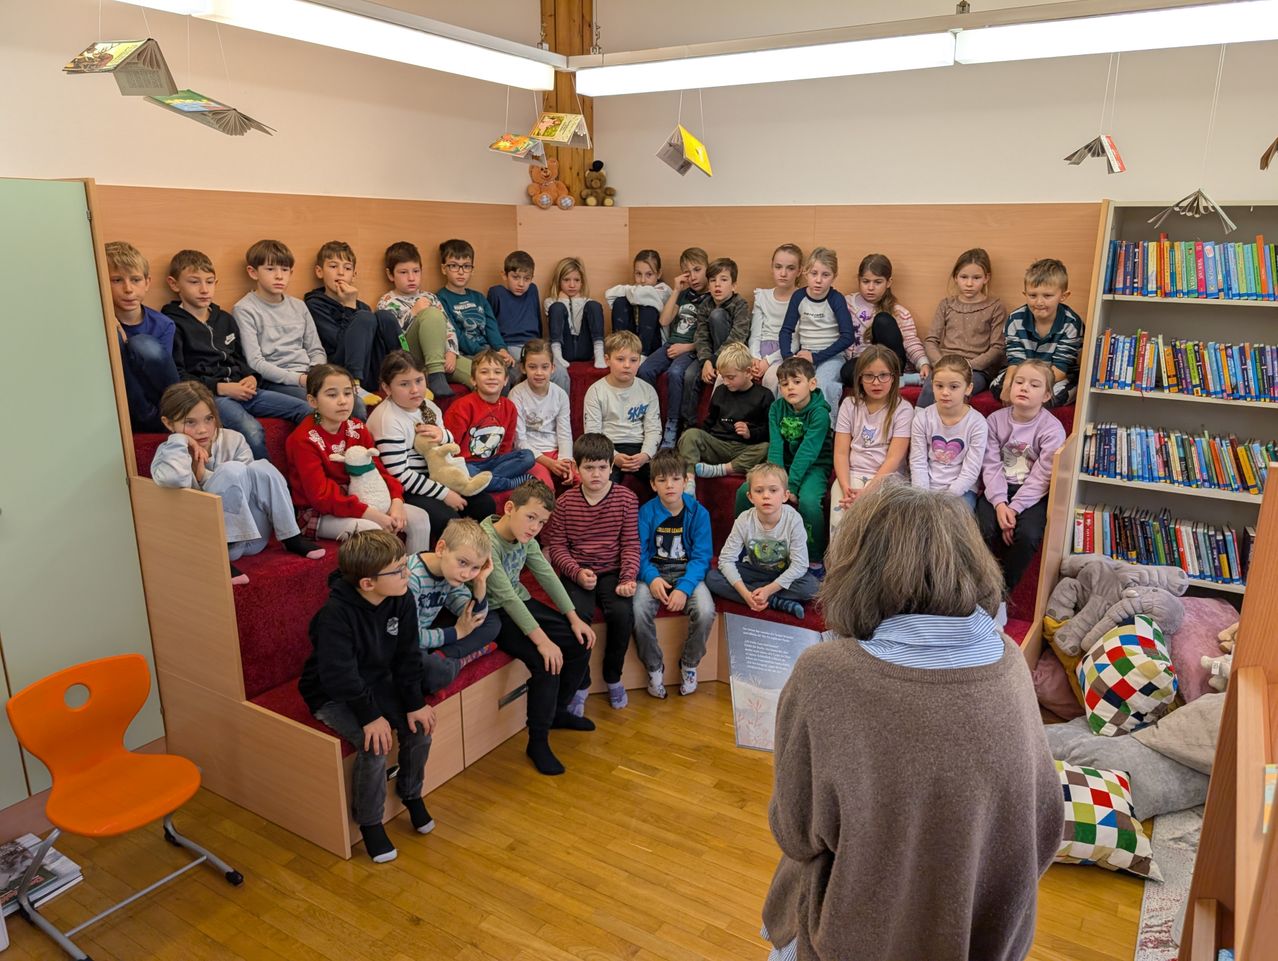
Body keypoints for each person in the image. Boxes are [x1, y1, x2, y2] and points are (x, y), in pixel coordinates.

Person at [762, 481, 1062, 961]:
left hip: (852, 938)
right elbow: (1046, 824)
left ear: (857, 568)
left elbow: (795, 832)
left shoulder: (825, 674)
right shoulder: (1008, 659)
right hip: (983, 936)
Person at [299, 530, 438, 863]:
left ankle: (411, 793)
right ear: (367, 584)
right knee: (374, 744)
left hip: (376, 681)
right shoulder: (336, 615)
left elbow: (407, 656)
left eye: (405, 565)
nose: (407, 574)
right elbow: (338, 676)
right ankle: (370, 821)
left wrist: (415, 701)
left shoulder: (401, 598)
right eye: (399, 570)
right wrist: (369, 716)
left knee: (420, 728)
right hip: (333, 692)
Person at [151, 382, 325, 585]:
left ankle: (290, 537)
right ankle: (222, 555)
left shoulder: (234, 439)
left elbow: (248, 483)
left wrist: (203, 475)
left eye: (209, 419)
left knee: (261, 467)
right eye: (190, 423)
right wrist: (180, 441)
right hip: (209, 542)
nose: (202, 430)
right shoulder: (168, 453)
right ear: (169, 424)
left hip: (253, 533)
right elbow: (173, 480)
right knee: (230, 469)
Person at [484, 480, 597, 776]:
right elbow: (505, 597)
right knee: (546, 661)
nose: (535, 527)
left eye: (542, 522)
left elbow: (546, 575)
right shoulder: (486, 542)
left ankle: (557, 711)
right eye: (530, 517)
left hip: (520, 603)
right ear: (510, 508)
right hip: (495, 612)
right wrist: (543, 641)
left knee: (580, 640)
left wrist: (574, 619)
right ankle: (538, 741)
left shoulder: (527, 540)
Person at [164, 248, 312, 461]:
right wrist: (220, 387)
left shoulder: (224, 318)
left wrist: (251, 376)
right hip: (212, 397)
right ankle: (266, 484)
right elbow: (179, 376)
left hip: (244, 390)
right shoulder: (173, 324)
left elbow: (241, 358)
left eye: (210, 281)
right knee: (251, 429)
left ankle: (304, 470)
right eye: (194, 282)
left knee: (306, 409)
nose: (204, 289)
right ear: (174, 284)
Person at [284, 364, 431, 552]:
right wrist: (373, 514)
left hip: (364, 498)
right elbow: (321, 496)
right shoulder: (303, 439)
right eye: (332, 395)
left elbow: (379, 471)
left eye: (347, 393)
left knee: (420, 519)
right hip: (321, 512)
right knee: (373, 529)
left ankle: (413, 578)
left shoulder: (357, 427)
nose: (343, 401)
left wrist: (396, 501)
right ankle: (386, 579)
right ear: (313, 401)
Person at [542, 433, 640, 711]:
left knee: (622, 614)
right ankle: (581, 683)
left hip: (613, 572)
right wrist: (575, 572)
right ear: (576, 468)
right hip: (577, 571)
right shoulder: (565, 503)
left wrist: (628, 577)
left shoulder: (626, 499)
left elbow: (631, 543)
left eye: (602, 467)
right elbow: (557, 546)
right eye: (588, 467)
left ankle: (613, 677)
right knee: (577, 619)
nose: (595, 474)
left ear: (612, 466)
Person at [367, 351, 495, 543]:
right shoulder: (388, 420)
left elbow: (448, 443)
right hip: (407, 488)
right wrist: (444, 494)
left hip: (437, 474)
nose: (414, 390)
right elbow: (399, 476)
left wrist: (443, 435)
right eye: (404, 384)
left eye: (419, 380)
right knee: (449, 521)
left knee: (484, 504)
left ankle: (479, 555)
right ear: (386, 387)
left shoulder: (428, 406)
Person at [977, 358, 1065, 619]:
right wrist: (1001, 503)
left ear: (1047, 394)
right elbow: (990, 466)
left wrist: (1014, 509)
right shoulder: (994, 420)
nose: (1024, 387)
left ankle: (1001, 597)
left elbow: (1042, 476)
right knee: (982, 529)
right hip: (998, 491)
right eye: (1019, 381)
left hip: (1031, 495)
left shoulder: (1051, 428)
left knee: (1026, 535)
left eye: (1034, 384)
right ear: (1010, 386)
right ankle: (978, 591)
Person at [733, 357, 832, 574]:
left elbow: (808, 452)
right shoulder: (777, 408)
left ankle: (813, 556)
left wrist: (791, 487)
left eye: (796, 382)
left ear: (812, 384)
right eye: (785, 384)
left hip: (814, 465)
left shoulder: (820, 413)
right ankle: (744, 543)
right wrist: (773, 480)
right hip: (783, 464)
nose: (790, 388)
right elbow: (776, 445)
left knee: (808, 502)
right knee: (745, 491)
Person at [634, 449, 716, 699]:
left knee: (705, 610)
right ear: (653, 484)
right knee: (637, 610)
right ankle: (654, 668)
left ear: (685, 481)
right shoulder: (646, 513)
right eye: (662, 480)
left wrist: (684, 587)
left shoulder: (699, 513)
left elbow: (702, 557)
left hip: (686, 572)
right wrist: (651, 578)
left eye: (675, 479)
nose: (669, 485)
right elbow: (638, 553)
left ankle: (689, 664)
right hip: (654, 572)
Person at [710, 463, 820, 620]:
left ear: (785, 496)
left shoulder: (793, 519)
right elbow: (726, 560)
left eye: (773, 490)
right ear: (750, 497)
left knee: (811, 587)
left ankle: (766, 595)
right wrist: (745, 594)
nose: (766, 496)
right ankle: (777, 602)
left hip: (783, 572)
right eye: (759, 491)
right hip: (754, 570)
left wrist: (768, 590)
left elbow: (800, 565)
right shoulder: (744, 520)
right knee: (713, 578)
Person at [405, 518, 501, 694]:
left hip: (426, 632)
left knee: (492, 621)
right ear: (441, 549)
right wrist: (456, 633)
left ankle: (444, 656)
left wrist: (480, 583)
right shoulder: (411, 579)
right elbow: (409, 638)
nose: (466, 574)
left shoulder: (451, 574)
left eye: (475, 568)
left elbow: (474, 616)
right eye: (463, 562)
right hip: (403, 641)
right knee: (432, 670)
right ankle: (460, 659)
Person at [830, 345, 913, 536]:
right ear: (860, 377)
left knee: (875, 527)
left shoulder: (903, 410)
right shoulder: (850, 405)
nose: (876, 382)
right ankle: (841, 565)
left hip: (887, 478)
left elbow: (893, 459)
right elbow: (841, 452)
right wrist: (845, 487)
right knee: (840, 520)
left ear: (894, 377)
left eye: (883, 375)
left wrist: (867, 491)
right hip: (851, 475)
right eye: (869, 376)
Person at [637, 246, 711, 448]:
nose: (693, 277)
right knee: (644, 370)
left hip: (691, 348)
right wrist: (677, 290)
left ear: (707, 269)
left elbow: (709, 337)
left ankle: (672, 423)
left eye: (697, 270)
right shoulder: (684, 294)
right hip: (671, 343)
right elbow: (664, 320)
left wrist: (687, 348)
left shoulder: (712, 297)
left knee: (676, 373)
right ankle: (650, 417)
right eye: (688, 272)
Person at [304, 240, 401, 391]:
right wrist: (349, 307)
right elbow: (338, 343)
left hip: (368, 370)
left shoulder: (362, 307)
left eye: (347, 268)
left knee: (384, 316)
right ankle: (354, 385)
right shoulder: (314, 305)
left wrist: (353, 306)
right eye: (333, 266)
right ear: (319, 271)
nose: (341, 272)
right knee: (365, 317)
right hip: (340, 371)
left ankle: (406, 372)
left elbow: (370, 345)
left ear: (354, 275)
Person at [919, 247, 1007, 407]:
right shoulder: (946, 305)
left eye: (976, 278)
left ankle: (954, 430)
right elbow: (931, 340)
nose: (969, 283)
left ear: (986, 278)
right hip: (945, 364)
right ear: (955, 277)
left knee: (957, 389)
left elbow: (997, 348)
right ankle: (920, 428)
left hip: (977, 370)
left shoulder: (995, 307)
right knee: (930, 387)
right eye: (963, 277)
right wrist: (940, 363)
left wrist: (969, 365)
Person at [105, 240, 178, 432]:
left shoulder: (163, 324)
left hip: (160, 406)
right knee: (114, 337)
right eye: (117, 280)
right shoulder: (99, 326)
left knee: (142, 344)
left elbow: (165, 376)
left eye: (135, 280)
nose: (128, 289)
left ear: (147, 283)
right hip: (124, 408)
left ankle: (176, 416)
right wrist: (108, 324)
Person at [991, 258, 1083, 408]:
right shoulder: (1015, 319)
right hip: (1022, 372)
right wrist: (1010, 385)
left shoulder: (1071, 323)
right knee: (1000, 388)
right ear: (1025, 294)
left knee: (1055, 396)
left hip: (1055, 376)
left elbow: (1061, 367)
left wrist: (1036, 388)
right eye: (1033, 295)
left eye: (1047, 296)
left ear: (1063, 296)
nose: (1039, 302)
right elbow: (1015, 360)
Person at [677, 342, 771, 488]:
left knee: (766, 448)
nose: (726, 382)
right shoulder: (720, 391)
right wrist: (700, 439)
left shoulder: (764, 395)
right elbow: (709, 421)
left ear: (748, 372)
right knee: (690, 435)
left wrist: (750, 433)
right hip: (718, 444)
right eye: (723, 377)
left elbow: (768, 431)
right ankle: (689, 482)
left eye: (731, 377)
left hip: (744, 449)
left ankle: (722, 470)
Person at [442, 348, 535, 492]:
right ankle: (510, 483)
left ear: (505, 380)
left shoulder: (509, 407)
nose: (491, 377)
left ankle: (484, 482)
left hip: (494, 461)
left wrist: (502, 463)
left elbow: (505, 445)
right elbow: (450, 448)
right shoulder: (462, 406)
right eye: (484, 372)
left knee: (527, 457)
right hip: (466, 463)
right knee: (467, 474)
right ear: (473, 380)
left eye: (497, 372)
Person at [378, 240, 462, 397]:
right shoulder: (387, 301)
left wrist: (451, 351)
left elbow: (448, 327)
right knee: (431, 314)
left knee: (480, 373)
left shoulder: (430, 297)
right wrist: (413, 313)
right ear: (390, 274)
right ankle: (436, 376)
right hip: (411, 356)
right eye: (403, 272)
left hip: (439, 355)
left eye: (416, 271)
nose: (411, 278)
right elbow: (393, 337)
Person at [778, 246, 855, 412]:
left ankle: (827, 432)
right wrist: (788, 357)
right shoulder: (798, 297)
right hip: (805, 354)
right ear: (806, 273)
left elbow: (848, 336)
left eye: (825, 275)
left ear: (834, 277)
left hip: (832, 356)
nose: (818, 280)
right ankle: (787, 428)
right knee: (790, 382)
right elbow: (786, 330)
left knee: (822, 385)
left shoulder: (836, 299)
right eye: (814, 273)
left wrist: (816, 357)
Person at [583, 331, 662, 486]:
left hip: (639, 446)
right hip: (607, 447)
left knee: (665, 477)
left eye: (633, 360)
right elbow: (592, 433)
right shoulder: (596, 391)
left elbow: (654, 429)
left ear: (640, 361)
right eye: (620, 359)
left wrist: (645, 455)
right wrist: (614, 456)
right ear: (607, 360)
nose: (627, 365)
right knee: (604, 485)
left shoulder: (648, 390)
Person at [910, 353, 989, 508]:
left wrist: (946, 498)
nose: (945, 392)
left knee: (953, 522)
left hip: (961, 490)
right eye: (939, 386)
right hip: (926, 487)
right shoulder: (922, 418)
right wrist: (923, 497)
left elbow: (970, 472)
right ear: (932, 385)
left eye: (954, 387)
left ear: (968, 388)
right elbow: (918, 462)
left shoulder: (977, 423)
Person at [840, 253, 929, 386]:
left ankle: (894, 376)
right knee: (847, 372)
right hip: (864, 364)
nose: (871, 287)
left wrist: (923, 363)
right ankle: (896, 381)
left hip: (890, 363)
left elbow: (911, 342)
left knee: (883, 320)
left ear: (888, 282)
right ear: (859, 280)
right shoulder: (845, 304)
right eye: (866, 281)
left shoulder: (899, 312)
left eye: (877, 282)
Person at [686, 256, 751, 429]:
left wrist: (715, 360)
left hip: (731, 354)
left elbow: (738, 335)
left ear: (734, 285)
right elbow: (701, 336)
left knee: (717, 315)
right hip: (710, 355)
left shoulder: (740, 304)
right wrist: (706, 361)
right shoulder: (705, 304)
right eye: (713, 280)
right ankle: (689, 424)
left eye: (723, 280)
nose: (717, 285)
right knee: (690, 375)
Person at [436, 238, 512, 381]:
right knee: (497, 378)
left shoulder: (479, 297)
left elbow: (492, 328)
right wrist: (484, 352)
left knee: (514, 374)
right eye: (454, 266)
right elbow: (454, 333)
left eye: (466, 266)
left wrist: (501, 349)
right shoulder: (441, 298)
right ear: (443, 269)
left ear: (472, 269)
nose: (461, 272)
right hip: (466, 354)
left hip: (488, 351)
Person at [508, 339, 574, 489]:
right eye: (532, 367)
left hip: (555, 451)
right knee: (545, 488)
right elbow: (519, 441)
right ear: (523, 368)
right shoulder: (516, 395)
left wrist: (566, 460)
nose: (539, 373)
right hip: (530, 455)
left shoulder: (560, 394)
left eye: (544, 367)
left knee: (580, 480)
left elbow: (564, 433)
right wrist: (549, 463)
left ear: (552, 368)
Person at [749, 243, 804, 394]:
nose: (783, 273)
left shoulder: (802, 299)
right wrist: (755, 357)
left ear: (799, 271)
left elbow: (794, 342)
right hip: (759, 351)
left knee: (772, 378)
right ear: (772, 267)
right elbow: (755, 334)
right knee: (728, 373)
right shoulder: (762, 296)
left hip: (782, 353)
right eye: (778, 267)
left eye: (790, 268)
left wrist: (767, 361)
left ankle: (770, 418)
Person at [486, 250, 542, 386]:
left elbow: (537, 319)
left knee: (561, 373)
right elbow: (490, 325)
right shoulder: (496, 292)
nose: (521, 284)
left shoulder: (533, 290)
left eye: (526, 279)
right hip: (509, 345)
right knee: (519, 371)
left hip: (533, 344)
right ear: (504, 275)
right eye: (516, 277)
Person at [544, 256, 605, 377]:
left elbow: (577, 326)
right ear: (558, 281)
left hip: (585, 349)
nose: (572, 285)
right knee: (557, 307)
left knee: (594, 305)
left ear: (582, 282)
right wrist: (564, 301)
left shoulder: (587, 301)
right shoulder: (550, 302)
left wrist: (576, 302)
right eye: (566, 280)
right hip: (565, 348)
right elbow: (565, 326)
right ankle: (557, 356)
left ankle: (599, 353)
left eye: (576, 280)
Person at [606, 249, 673, 358]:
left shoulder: (664, 290)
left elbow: (643, 294)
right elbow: (609, 295)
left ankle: (642, 355)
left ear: (659, 273)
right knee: (620, 302)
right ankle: (618, 350)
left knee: (648, 308)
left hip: (654, 343)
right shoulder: (635, 290)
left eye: (649, 274)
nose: (642, 280)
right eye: (638, 274)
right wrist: (631, 291)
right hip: (633, 338)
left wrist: (627, 290)